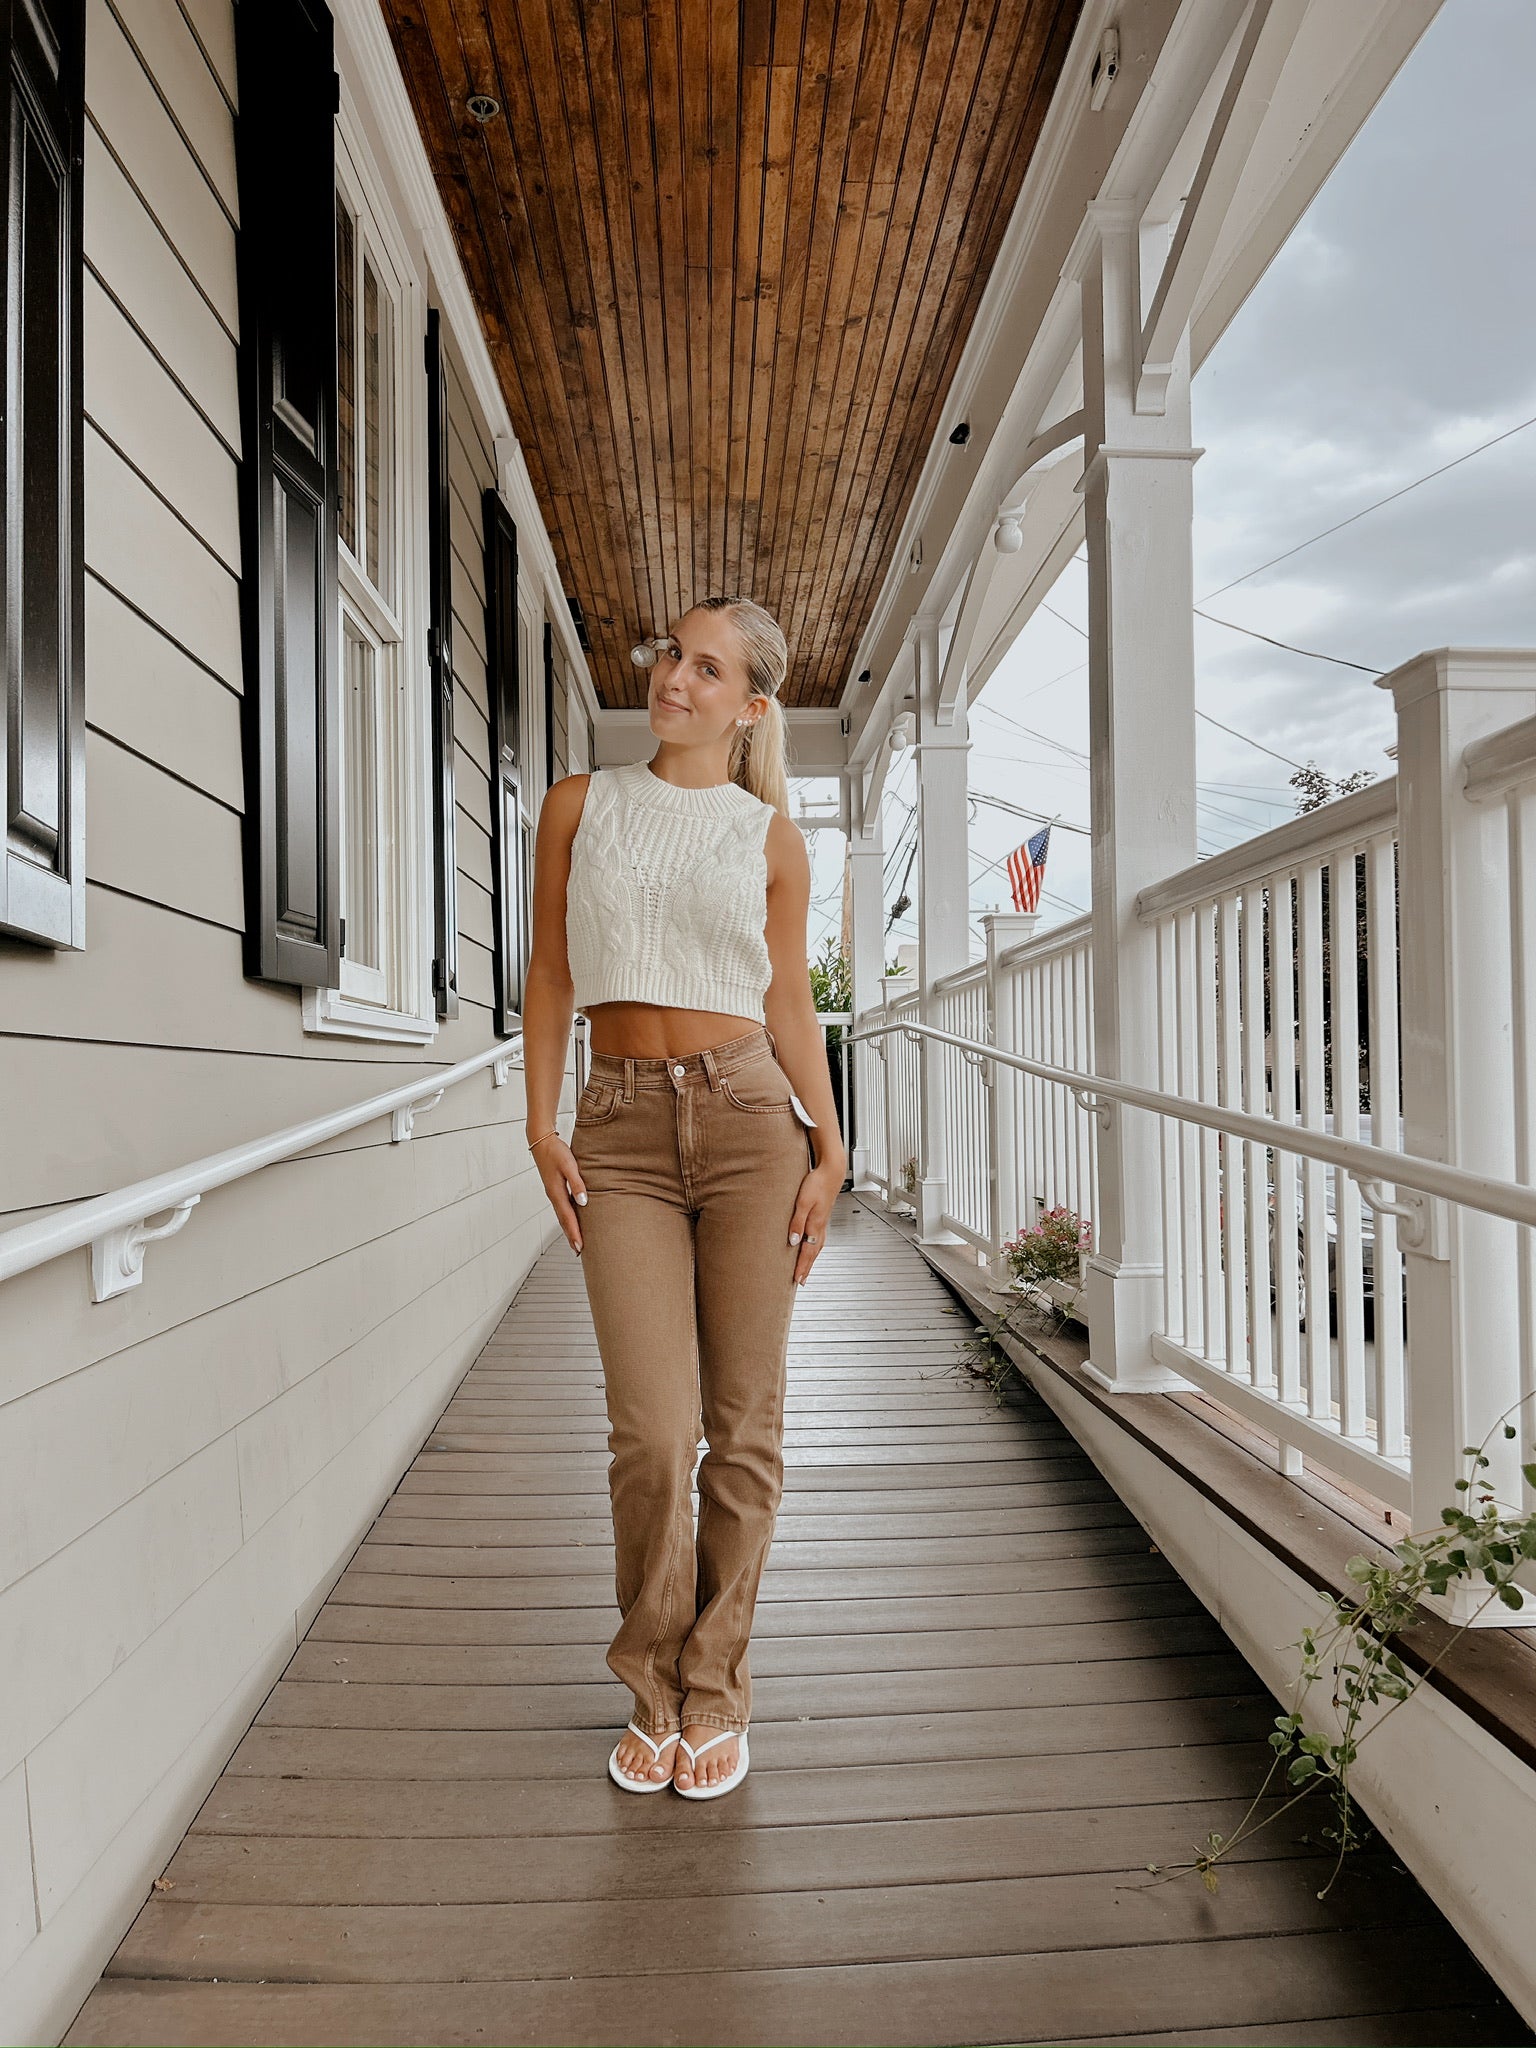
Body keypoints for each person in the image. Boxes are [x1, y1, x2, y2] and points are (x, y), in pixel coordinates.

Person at [520, 595, 848, 1799]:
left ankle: (714, 1685)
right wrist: (540, 1117)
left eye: (709, 669)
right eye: (673, 655)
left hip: (756, 1124)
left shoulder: (769, 838)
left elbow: (790, 1004)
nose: (676, 678)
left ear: (751, 704)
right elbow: (551, 969)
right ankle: (648, 1677)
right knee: (656, 1431)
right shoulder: (579, 803)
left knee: (743, 1423)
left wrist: (831, 1144)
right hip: (618, 1127)